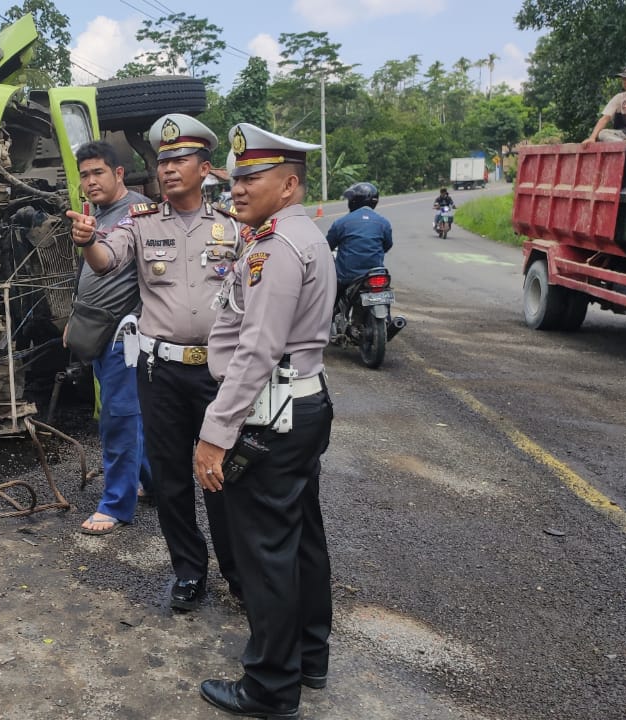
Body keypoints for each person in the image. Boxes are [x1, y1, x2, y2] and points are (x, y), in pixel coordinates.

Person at [67, 114, 241, 611]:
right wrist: (86, 242)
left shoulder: (232, 226)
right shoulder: (139, 224)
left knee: (222, 475)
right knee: (170, 478)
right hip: (159, 369)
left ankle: (236, 572)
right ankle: (189, 572)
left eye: (179, 160)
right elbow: (106, 259)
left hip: (216, 372)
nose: (168, 169)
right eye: (162, 161)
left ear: (204, 168)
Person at [192, 122, 336, 720]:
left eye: (254, 177)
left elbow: (256, 350)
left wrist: (214, 434)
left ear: (290, 184)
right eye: (238, 176)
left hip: (269, 413)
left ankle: (271, 689)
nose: (240, 187)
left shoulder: (278, 245)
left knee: (266, 552)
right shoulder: (295, 236)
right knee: (300, 536)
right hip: (301, 404)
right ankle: (309, 657)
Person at [67, 141, 153, 535]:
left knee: (119, 419)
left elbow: (107, 263)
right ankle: (151, 483)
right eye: (84, 174)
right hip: (97, 329)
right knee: (128, 416)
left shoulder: (137, 212)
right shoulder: (97, 215)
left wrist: (88, 242)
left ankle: (117, 504)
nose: (90, 181)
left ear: (118, 173)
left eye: (98, 172)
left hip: (125, 334)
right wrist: (75, 316)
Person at [327, 181, 392, 295]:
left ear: (354, 201)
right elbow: (387, 245)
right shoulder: (383, 222)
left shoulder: (341, 222)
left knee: (331, 299)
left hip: (347, 277)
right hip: (375, 275)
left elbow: (327, 246)